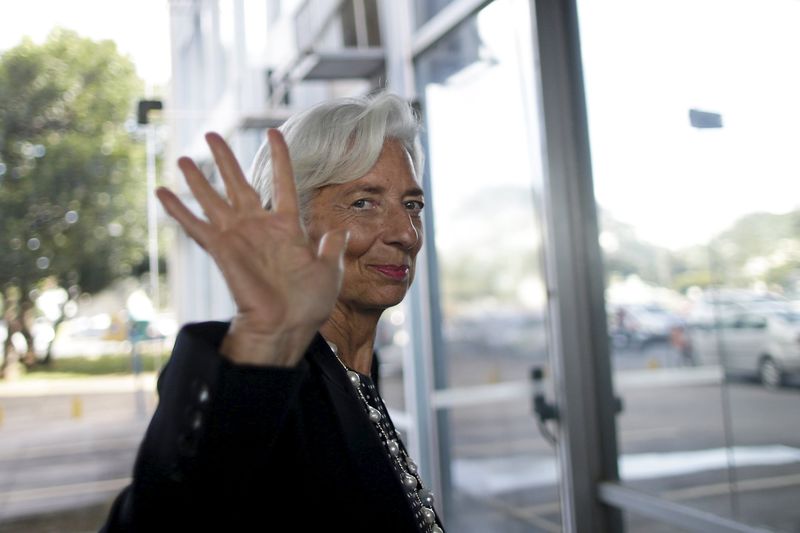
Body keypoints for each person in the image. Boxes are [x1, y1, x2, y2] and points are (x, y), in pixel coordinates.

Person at [101, 93, 445, 532]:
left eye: (411, 204)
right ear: (294, 226)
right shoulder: (262, 379)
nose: (404, 232)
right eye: (364, 202)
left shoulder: (355, 371)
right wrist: (261, 342)